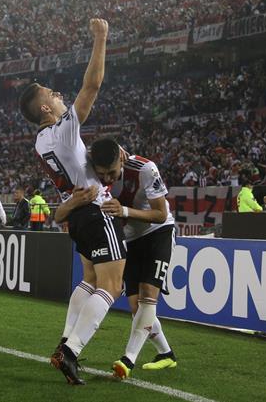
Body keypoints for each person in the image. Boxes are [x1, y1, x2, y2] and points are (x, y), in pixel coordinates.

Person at [19, 17, 118, 386]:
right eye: (49, 93)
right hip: (94, 211)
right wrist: (100, 38)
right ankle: (72, 350)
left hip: (76, 216)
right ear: (45, 110)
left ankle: (64, 341)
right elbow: (91, 85)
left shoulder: (41, 142)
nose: (56, 93)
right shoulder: (62, 131)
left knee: (91, 278)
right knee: (113, 284)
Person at [88, 138, 178, 380]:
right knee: (136, 305)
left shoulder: (145, 169)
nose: (107, 179)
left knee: (149, 294)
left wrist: (124, 211)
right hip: (131, 239)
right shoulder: (93, 170)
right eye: (102, 174)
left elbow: (161, 214)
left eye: (112, 173)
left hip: (158, 232)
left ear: (121, 160)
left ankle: (128, 359)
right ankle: (166, 354)